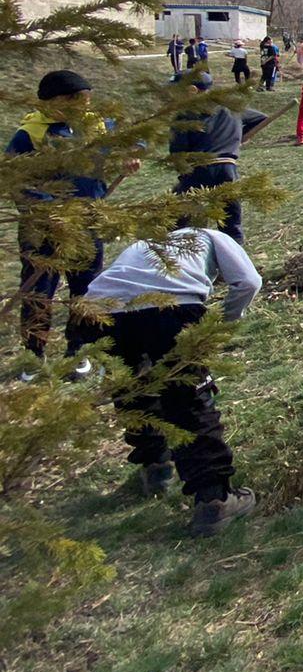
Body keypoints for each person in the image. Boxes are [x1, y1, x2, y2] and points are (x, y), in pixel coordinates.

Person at [80, 226, 262, 536]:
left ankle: (156, 468)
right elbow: (248, 282)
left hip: (102, 310)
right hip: (170, 308)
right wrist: (219, 328)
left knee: (133, 391)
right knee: (187, 401)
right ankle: (214, 500)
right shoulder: (214, 236)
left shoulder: (145, 242)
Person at [8, 70, 135, 365]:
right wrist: (48, 210)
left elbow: (131, 139)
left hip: (87, 221)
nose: (85, 105)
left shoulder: (97, 126)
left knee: (86, 287)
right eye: (79, 99)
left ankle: (78, 349)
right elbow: (17, 182)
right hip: (42, 227)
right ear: (56, 101)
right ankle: (34, 355)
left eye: (87, 99)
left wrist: (128, 155)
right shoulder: (30, 134)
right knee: (39, 290)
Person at [171, 72, 269, 245]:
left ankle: (179, 255)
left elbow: (178, 151)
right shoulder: (231, 108)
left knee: (178, 221)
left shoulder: (185, 115)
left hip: (197, 171)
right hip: (227, 170)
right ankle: (235, 257)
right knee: (230, 221)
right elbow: (261, 119)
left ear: (192, 90)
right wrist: (238, 137)